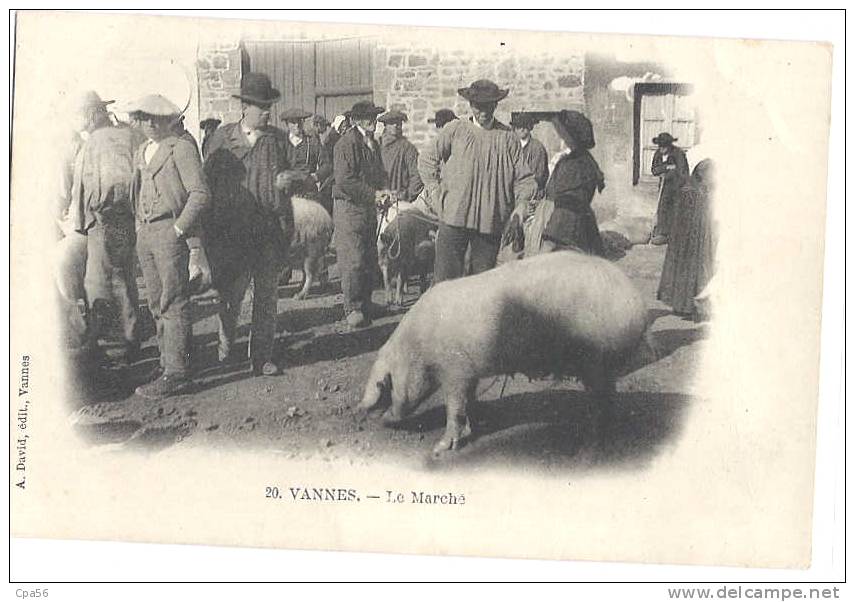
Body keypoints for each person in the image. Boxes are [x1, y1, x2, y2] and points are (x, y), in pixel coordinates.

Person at [204, 72, 294, 376]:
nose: (267, 111)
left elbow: (303, 175)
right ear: (244, 107)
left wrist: (292, 180)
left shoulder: (278, 140)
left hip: (269, 231)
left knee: (267, 298)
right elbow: (208, 186)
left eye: (269, 106)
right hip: (233, 233)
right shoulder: (222, 139)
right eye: (260, 106)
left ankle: (261, 357)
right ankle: (225, 344)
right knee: (231, 296)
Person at [126, 94, 210, 399]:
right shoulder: (142, 151)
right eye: (143, 117)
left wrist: (178, 228)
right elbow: (136, 193)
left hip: (169, 231)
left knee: (173, 302)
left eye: (154, 118)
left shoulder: (181, 148)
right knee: (155, 302)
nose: (148, 124)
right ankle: (167, 363)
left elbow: (199, 194)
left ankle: (177, 374)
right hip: (146, 233)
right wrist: (139, 226)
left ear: (165, 120)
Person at [418, 79, 536, 282]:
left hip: (490, 222)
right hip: (453, 218)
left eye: (488, 106)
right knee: (445, 282)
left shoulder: (508, 138)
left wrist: (520, 208)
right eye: (478, 106)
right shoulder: (455, 130)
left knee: (482, 285)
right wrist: (435, 193)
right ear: (471, 105)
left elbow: (525, 179)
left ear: (496, 105)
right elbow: (427, 160)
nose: (483, 111)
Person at [68, 90, 144, 369]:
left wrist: (102, 211)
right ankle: (129, 339)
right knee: (122, 279)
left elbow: (116, 181)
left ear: (90, 115)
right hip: (115, 219)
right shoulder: (121, 136)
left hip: (107, 219)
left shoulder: (103, 140)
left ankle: (119, 347)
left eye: (80, 114)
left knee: (103, 283)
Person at [332, 100, 387, 328]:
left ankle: (366, 302)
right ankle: (352, 308)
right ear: (355, 121)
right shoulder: (346, 143)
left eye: (374, 116)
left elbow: (379, 172)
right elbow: (345, 180)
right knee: (353, 259)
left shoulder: (372, 142)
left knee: (368, 257)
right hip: (349, 207)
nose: (372, 121)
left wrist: (384, 191)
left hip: (366, 206)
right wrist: (373, 194)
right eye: (367, 117)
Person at [537, 110, 606, 256]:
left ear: (568, 139)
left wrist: (547, 246)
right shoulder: (586, 160)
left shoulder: (574, 166)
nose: (557, 139)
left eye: (560, 135)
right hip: (579, 226)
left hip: (568, 234)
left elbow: (567, 209)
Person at [657, 159, 717, 319]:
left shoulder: (699, 189)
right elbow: (689, 218)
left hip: (692, 237)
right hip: (687, 239)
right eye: (709, 175)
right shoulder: (691, 191)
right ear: (701, 174)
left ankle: (686, 305)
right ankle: (685, 306)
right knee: (688, 270)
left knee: (691, 271)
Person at [280, 107, 332, 203]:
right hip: (287, 195)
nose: (297, 125)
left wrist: (316, 176)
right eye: (293, 122)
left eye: (299, 121)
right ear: (287, 124)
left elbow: (326, 165)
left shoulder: (312, 142)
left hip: (308, 194)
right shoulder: (281, 143)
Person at [650, 132, 689, 245]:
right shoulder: (658, 154)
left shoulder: (679, 154)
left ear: (669, 145)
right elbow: (654, 170)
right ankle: (663, 234)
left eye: (664, 147)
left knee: (676, 210)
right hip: (664, 187)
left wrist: (671, 174)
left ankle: (676, 235)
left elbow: (682, 172)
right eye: (660, 146)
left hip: (677, 187)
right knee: (662, 209)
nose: (661, 149)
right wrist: (666, 167)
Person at [378, 110, 423, 202]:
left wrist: (404, 195)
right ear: (385, 125)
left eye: (398, 123)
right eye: (391, 123)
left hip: (397, 200)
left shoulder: (407, 148)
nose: (395, 125)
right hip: (376, 200)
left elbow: (417, 176)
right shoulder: (376, 146)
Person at [510, 113, 549, 200]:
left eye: (525, 126)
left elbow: (538, 176)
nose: (522, 129)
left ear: (530, 128)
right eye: (518, 127)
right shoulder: (511, 146)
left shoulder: (537, 148)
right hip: (514, 193)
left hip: (532, 195)